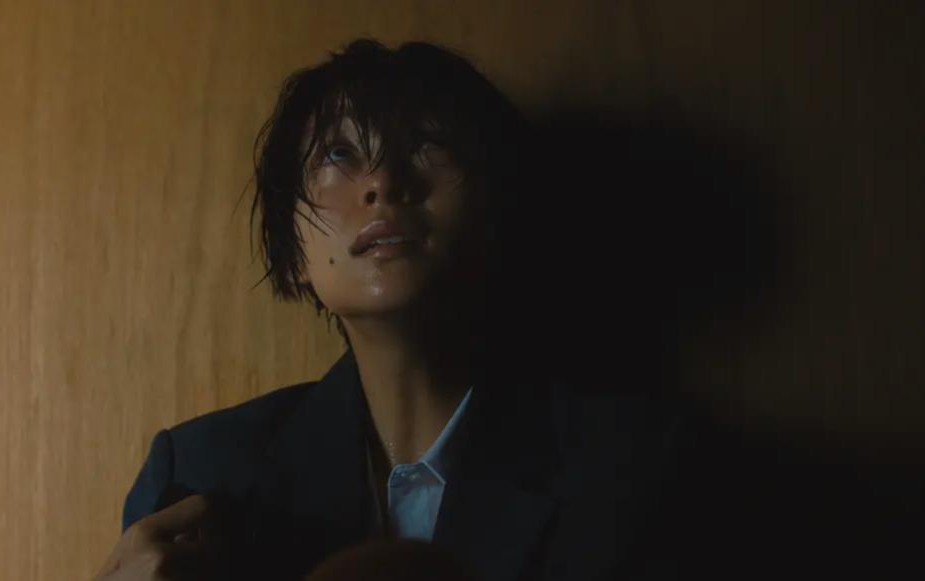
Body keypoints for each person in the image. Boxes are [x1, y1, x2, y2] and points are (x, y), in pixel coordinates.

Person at [93, 38, 919, 581]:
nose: (383, 183)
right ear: (291, 252)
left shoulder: (644, 471)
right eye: (340, 154)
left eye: (428, 143)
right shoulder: (202, 476)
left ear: (500, 208)